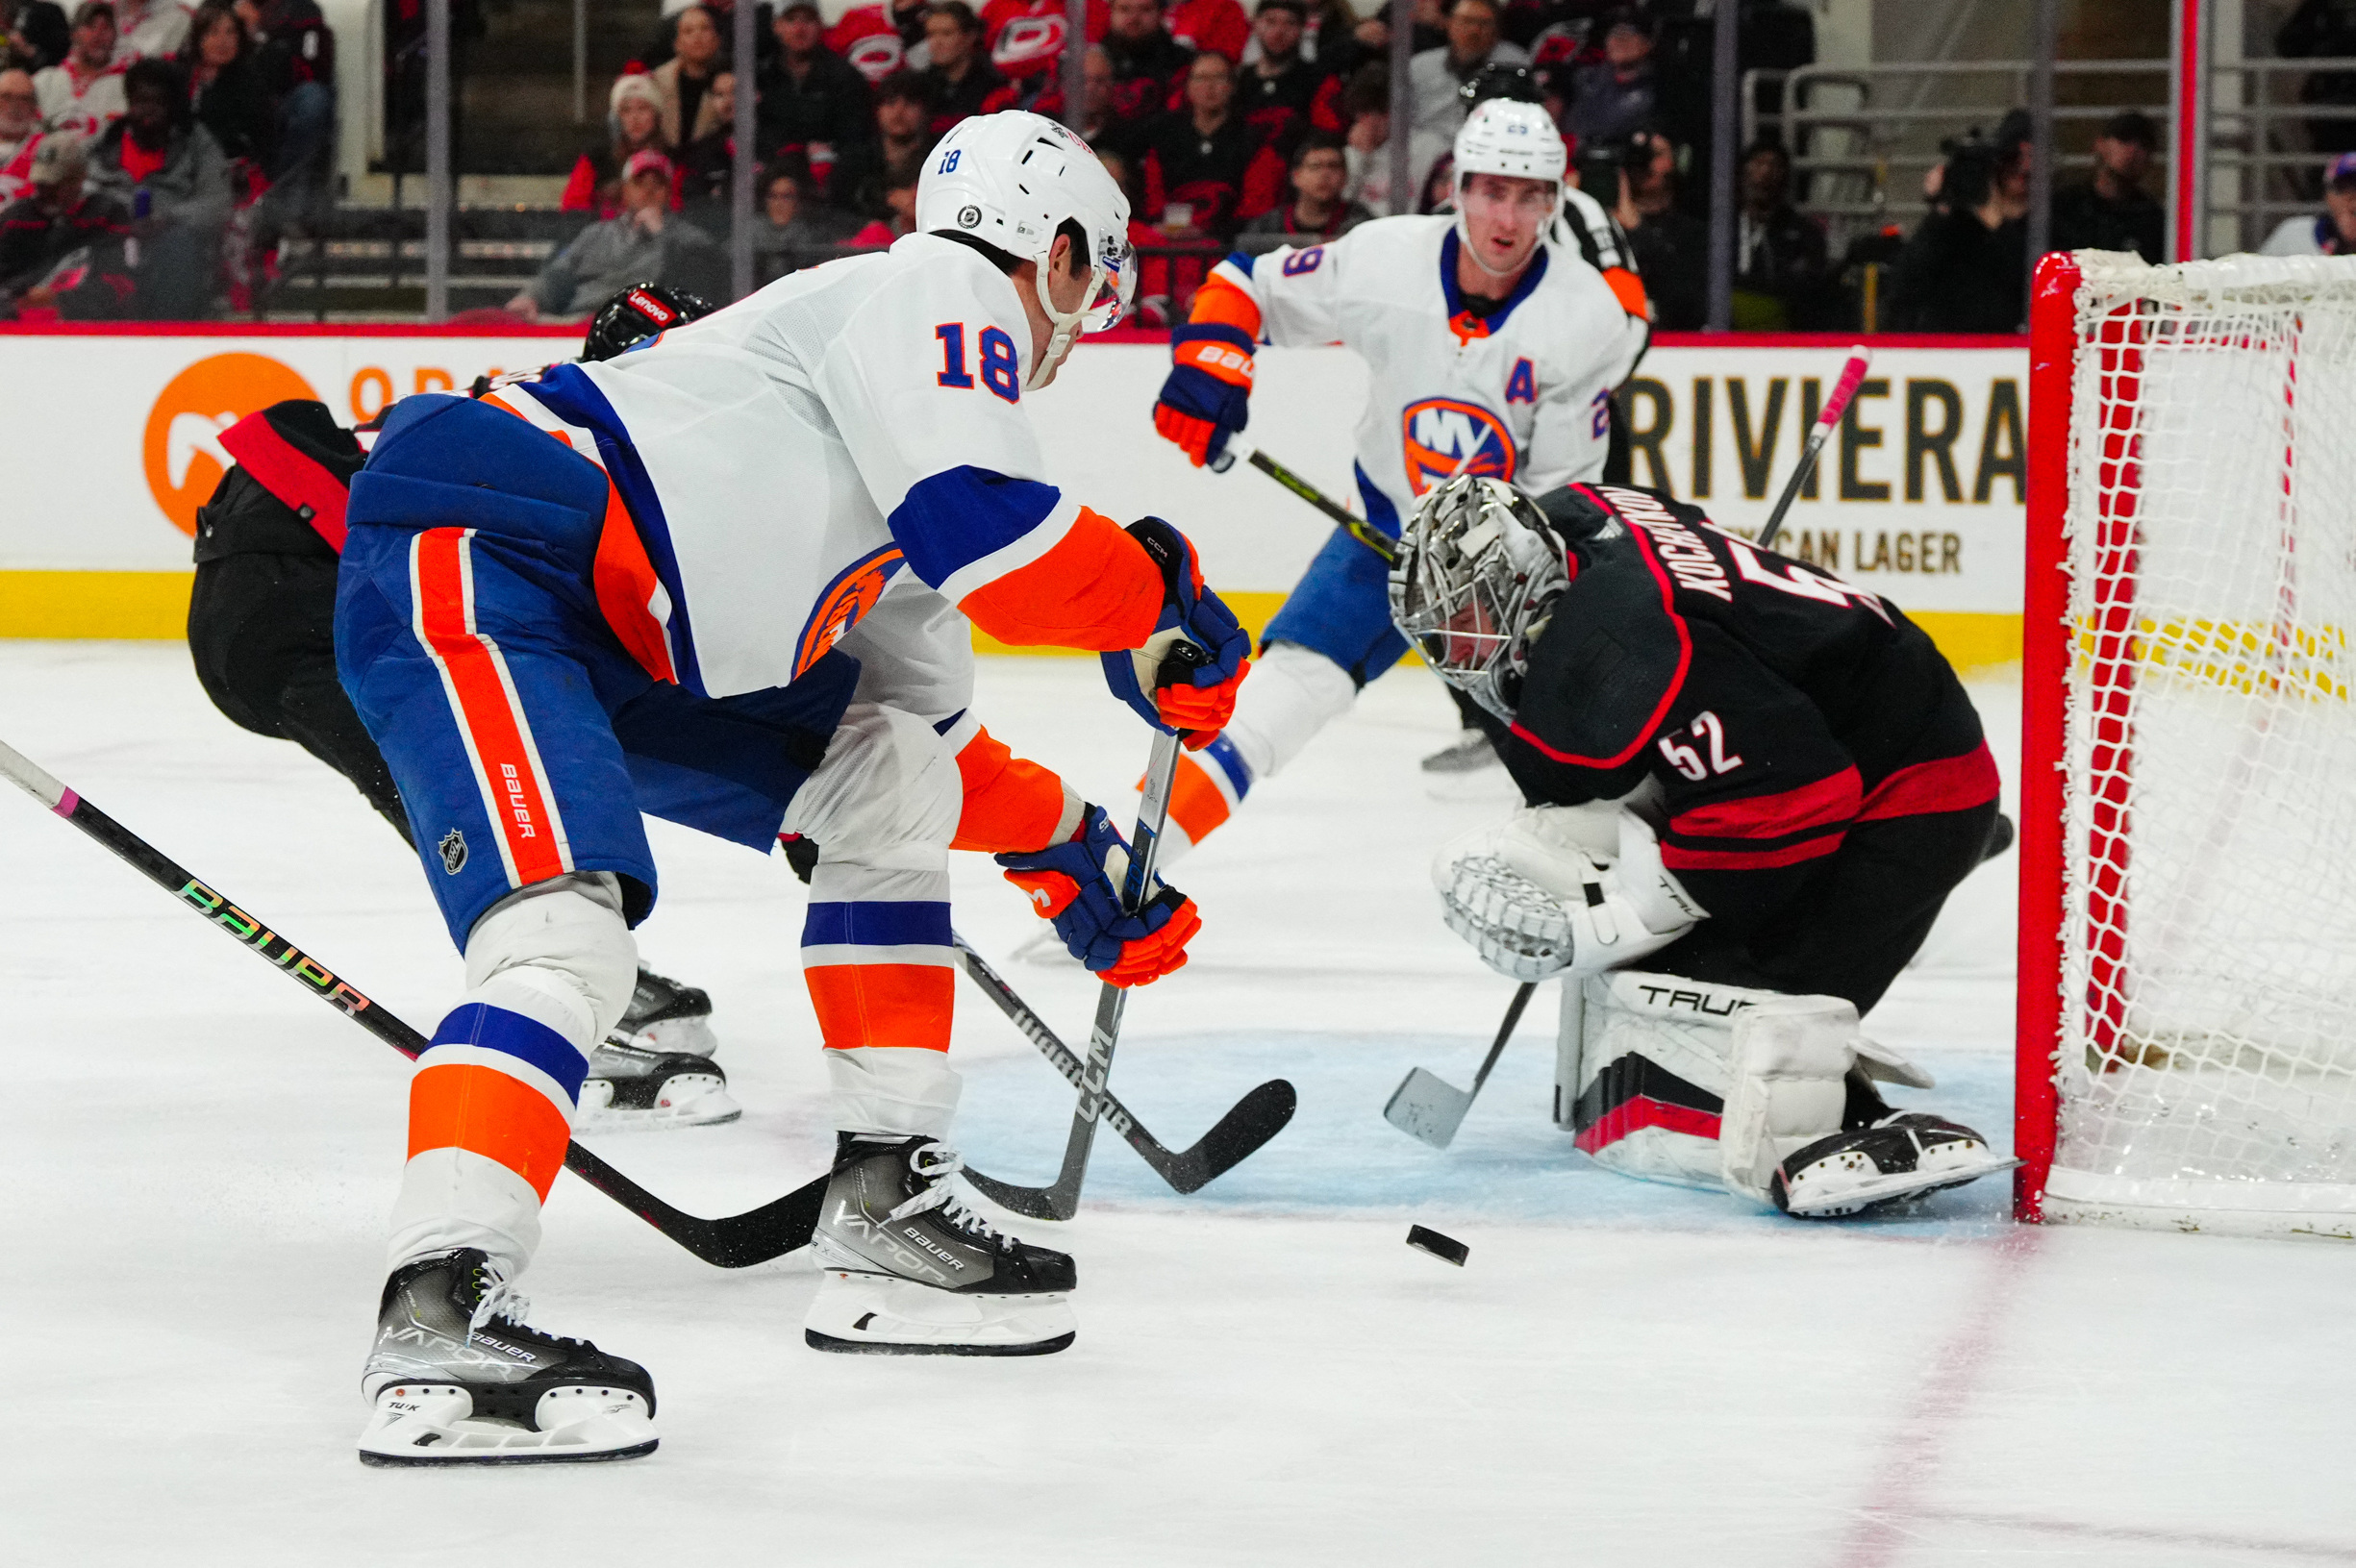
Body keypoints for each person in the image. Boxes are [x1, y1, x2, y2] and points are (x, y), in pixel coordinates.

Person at [338, 111, 1248, 1461]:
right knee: (565, 938)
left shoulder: (889, 464)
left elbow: (926, 755)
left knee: (882, 775)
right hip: (487, 546)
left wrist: (1069, 846)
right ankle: (436, 1309)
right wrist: (1153, 593)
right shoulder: (936, 288)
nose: (1077, 336)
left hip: (615, 615)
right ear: (1056, 250)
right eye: (1090, 290)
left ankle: (883, 1202)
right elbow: (997, 533)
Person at [183, 290, 739, 1139]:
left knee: (482, 764)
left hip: (281, 588)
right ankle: (560, 1001)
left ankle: (570, 970)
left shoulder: (548, 408)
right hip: (297, 591)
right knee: (471, 774)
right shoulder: (588, 437)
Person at [1399, 475, 2014, 1216]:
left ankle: (1847, 1106)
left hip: (1903, 788)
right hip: (1838, 721)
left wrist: (1614, 919)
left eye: (1466, 617)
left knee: (1703, 1003)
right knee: (1656, 976)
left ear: (1523, 577)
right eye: (1440, 632)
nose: (1458, 650)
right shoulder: (1578, 516)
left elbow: (1799, 801)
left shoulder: (1622, 643)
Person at [1147, 98, 1642, 861]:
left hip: (1505, 576)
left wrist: (1506, 599)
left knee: (1604, 750)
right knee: (1278, 699)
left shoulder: (1585, 319)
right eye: (1489, 190)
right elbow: (1246, 282)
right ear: (1458, 189)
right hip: (1382, 534)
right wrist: (1212, 362)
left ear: (1555, 201)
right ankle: (1126, 871)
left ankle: (1712, 883)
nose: (1504, 216)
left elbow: (1561, 509)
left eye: (1527, 194)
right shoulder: (1385, 260)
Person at [87, 56, 227, 317]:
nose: (148, 109)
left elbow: (217, 204)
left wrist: (168, 219)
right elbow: (78, 190)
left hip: (170, 250)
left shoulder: (198, 144)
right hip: (110, 243)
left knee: (179, 243)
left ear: (173, 106)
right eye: (141, 101)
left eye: (157, 102)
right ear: (130, 103)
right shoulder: (105, 142)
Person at [513, 148, 720, 319]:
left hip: (645, 329)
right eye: (639, 183)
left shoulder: (691, 241)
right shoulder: (596, 234)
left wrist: (662, 235)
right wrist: (532, 296)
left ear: (669, 192)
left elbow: (698, 289)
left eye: (657, 184)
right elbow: (558, 274)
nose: (648, 192)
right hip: (579, 322)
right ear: (625, 189)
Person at [1883, 133, 2022, 334]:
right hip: (1943, 340)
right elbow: (1905, 288)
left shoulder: (2012, 237)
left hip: (1993, 340)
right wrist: (1942, 209)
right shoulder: (1940, 232)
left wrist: (1989, 213)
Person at [1140, 48, 1284, 241]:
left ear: (1232, 86)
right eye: (1201, 78)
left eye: (1219, 78)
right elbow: (1152, 201)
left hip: (1226, 247)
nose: (1209, 87)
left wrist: (1209, 235)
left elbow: (1255, 210)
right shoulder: (1165, 138)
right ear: (1188, 87)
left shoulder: (1254, 142)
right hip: (1168, 246)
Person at [0, 128, 133, 314]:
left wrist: (58, 299)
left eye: (55, 186)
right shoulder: (16, 219)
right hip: (19, 326)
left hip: (87, 328)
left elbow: (122, 284)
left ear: (79, 179)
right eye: (41, 185)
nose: (45, 194)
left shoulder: (107, 215)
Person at [756, 0, 872, 163]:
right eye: (791, 20)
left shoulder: (845, 77)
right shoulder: (761, 77)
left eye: (808, 20)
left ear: (820, 25)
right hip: (773, 173)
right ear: (776, 26)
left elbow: (856, 141)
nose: (799, 29)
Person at [1731, 137, 1826, 329]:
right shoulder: (1722, 228)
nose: (1765, 173)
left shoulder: (1803, 232)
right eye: (1758, 163)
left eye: (1774, 166)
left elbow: (1808, 287)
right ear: (1743, 172)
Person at [1614, 126, 1703, 330]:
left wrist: (1637, 230)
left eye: (1655, 155)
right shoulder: (1601, 225)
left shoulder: (1693, 233)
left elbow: (1686, 300)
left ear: (1678, 162)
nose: (1644, 164)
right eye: (1639, 156)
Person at [1339, 61, 1443, 217]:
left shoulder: (1431, 148)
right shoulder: (1352, 151)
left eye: (1376, 113)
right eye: (1361, 115)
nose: (1366, 123)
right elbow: (1343, 205)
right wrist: (1364, 157)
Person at [1407, 0, 1523, 140]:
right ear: (1449, 24)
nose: (1475, 30)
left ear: (1497, 30)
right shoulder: (1420, 65)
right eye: (1467, 21)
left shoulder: (1513, 63)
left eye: (1484, 23)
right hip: (1428, 147)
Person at [1235, 127, 1366, 250]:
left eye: (1333, 166)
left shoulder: (1361, 223)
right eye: (1315, 167)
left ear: (1345, 176)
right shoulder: (1267, 226)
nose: (1325, 174)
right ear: (1296, 177)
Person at [563, 74, 674, 218]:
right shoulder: (596, 158)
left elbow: (680, 209)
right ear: (616, 118)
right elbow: (573, 209)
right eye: (626, 110)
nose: (635, 117)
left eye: (643, 108)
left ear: (657, 115)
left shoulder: (675, 157)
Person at [826, 67, 932, 216]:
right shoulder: (854, 160)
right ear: (878, 111)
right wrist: (889, 199)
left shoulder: (939, 158)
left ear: (924, 112)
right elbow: (840, 212)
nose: (898, 112)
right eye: (890, 103)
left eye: (910, 104)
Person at [177, 0, 268, 162]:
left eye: (230, 32)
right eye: (213, 32)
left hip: (229, 166)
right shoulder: (180, 73)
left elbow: (256, 140)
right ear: (198, 37)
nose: (223, 41)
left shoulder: (249, 80)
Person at [1563, 6, 1655, 149]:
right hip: (1575, 161)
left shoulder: (1659, 89)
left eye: (1630, 32)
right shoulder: (1583, 78)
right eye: (1614, 32)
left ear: (1648, 44)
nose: (1620, 39)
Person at [1235, 0, 1322, 145]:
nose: (1279, 31)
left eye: (1290, 23)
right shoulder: (1240, 79)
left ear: (1302, 29)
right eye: (1270, 21)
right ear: (1255, 25)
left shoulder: (1314, 78)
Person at [33, 1, 126, 137]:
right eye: (91, 26)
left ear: (116, 35)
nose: (99, 34)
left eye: (106, 27)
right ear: (73, 34)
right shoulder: (45, 80)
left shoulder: (124, 86)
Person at [917, 0, 1015, 132]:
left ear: (970, 36)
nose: (936, 43)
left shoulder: (993, 84)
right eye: (931, 34)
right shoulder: (921, 86)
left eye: (946, 34)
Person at [1100, 0, 1192, 137]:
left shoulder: (1182, 62)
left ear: (1161, 13)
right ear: (1111, 12)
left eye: (1145, 9)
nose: (1134, 18)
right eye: (1124, 9)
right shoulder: (1092, 62)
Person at [652, 4, 727, 151]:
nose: (697, 36)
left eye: (704, 29)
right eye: (688, 31)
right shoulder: (657, 82)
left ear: (717, 39)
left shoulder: (731, 81)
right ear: (677, 44)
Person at [2263, 148, 2356, 257]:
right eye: (2343, 187)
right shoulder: (2294, 235)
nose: (2353, 197)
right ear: (2327, 196)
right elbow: (2258, 272)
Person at [0, 62, 43, 202]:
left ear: (34, 107)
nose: (15, 106)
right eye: (7, 97)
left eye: (24, 99)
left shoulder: (45, 146)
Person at [4, 0, 69, 69]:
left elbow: (61, 49)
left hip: (42, 71)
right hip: (16, 65)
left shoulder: (52, 11)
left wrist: (28, 51)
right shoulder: (22, 7)